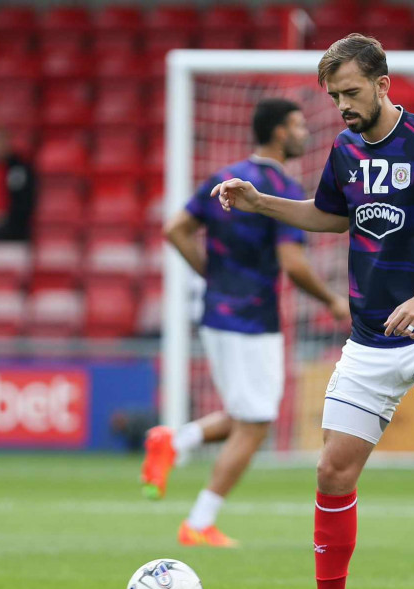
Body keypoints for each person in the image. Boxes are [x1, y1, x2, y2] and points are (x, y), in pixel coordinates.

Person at [211, 35, 414, 589]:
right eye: (334, 95)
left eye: (350, 92)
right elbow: (329, 213)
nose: (342, 105)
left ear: (382, 84)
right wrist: (261, 202)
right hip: (371, 336)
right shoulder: (344, 150)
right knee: (333, 472)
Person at [140, 98, 351, 547]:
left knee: (248, 412)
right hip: (251, 318)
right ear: (278, 132)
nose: (303, 134)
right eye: (296, 126)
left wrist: (211, 275)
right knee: (255, 422)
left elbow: (176, 228)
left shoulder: (225, 177)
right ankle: (199, 522)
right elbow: (292, 263)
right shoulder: (280, 189)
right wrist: (333, 300)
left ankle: (174, 442)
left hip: (219, 312)